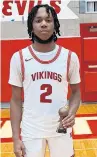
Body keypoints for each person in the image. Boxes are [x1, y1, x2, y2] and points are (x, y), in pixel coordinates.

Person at [8, 4, 81, 157]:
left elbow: (76, 92)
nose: (43, 24)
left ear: (55, 25)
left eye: (48, 20)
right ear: (31, 25)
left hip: (60, 128)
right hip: (31, 130)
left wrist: (72, 113)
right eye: (38, 20)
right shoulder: (19, 58)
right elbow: (15, 100)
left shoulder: (69, 57)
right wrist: (15, 138)